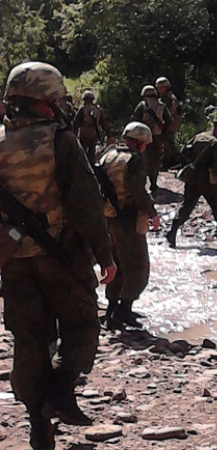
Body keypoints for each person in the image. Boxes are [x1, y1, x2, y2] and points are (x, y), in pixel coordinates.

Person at [0, 61, 117, 450]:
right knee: (82, 325)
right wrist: (105, 254)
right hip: (61, 256)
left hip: (12, 260)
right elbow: (85, 203)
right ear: (47, 99)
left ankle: (37, 419)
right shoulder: (60, 140)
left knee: (30, 340)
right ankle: (62, 389)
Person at [97, 122, 160, 329]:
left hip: (108, 218)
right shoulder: (135, 159)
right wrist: (152, 213)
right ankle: (123, 310)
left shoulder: (108, 154)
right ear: (141, 142)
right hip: (127, 219)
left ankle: (112, 309)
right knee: (138, 265)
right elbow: (138, 190)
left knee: (117, 264)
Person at [166, 120, 217, 248]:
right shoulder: (215, 143)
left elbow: (184, 152)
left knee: (186, 206)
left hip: (192, 179)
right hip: (207, 181)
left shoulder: (198, 137)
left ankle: (172, 232)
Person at [131, 85, 172, 193]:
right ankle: (154, 182)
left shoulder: (142, 106)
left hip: (144, 137)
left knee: (146, 159)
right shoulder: (161, 106)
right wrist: (164, 134)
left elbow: (134, 120)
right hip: (158, 136)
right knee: (156, 159)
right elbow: (169, 121)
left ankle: (149, 182)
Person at [72, 90, 111, 163]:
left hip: (83, 134)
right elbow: (104, 124)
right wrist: (109, 136)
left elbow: (76, 123)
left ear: (84, 100)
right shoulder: (97, 110)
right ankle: (92, 167)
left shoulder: (82, 109)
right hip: (94, 134)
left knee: (82, 152)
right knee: (92, 152)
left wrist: (73, 134)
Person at [155, 77, 185, 170]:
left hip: (170, 122)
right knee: (166, 144)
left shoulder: (167, 98)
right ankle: (165, 164)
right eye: (158, 88)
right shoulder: (168, 96)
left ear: (166, 87)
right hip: (172, 121)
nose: (159, 90)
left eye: (161, 87)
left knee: (168, 143)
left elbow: (166, 112)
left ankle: (183, 161)